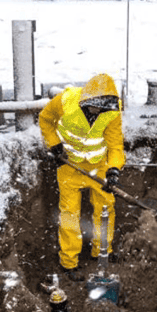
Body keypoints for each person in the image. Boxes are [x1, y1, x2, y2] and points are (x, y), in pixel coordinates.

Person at [38, 73, 125, 281]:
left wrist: (113, 170)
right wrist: (55, 145)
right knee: (69, 214)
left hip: (99, 167)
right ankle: (69, 262)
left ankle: (102, 251)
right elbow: (45, 119)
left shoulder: (112, 110)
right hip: (69, 166)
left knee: (105, 209)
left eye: (104, 109)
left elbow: (115, 144)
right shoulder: (65, 102)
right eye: (97, 108)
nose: (100, 112)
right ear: (88, 100)